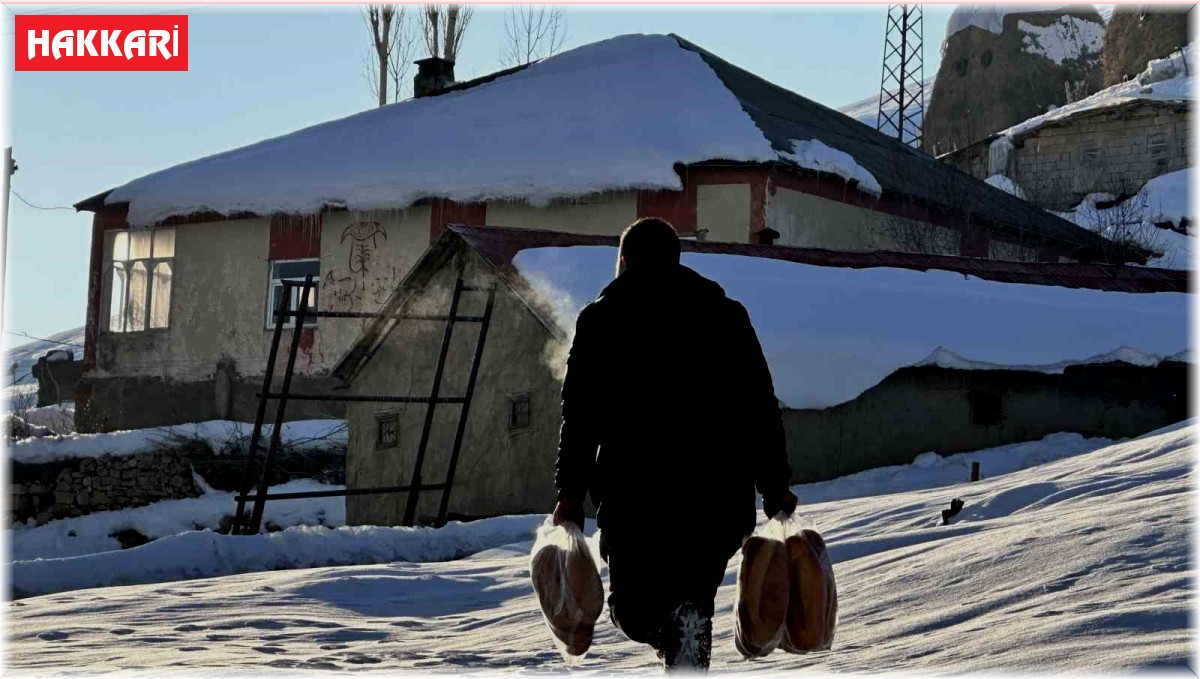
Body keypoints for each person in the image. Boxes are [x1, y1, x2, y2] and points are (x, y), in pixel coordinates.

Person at [552, 217, 798, 671]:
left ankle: (670, 632)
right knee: (693, 605)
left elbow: (580, 418)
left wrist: (569, 495)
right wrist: (775, 486)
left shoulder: (602, 320)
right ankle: (683, 640)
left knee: (633, 610)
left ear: (623, 262)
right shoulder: (726, 315)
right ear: (677, 259)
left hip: (636, 496)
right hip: (717, 497)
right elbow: (759, 407)